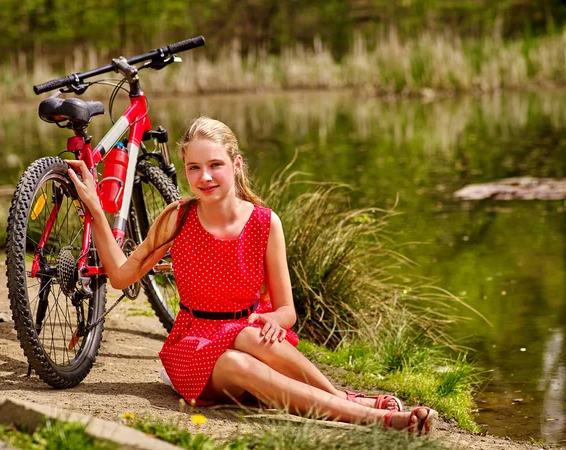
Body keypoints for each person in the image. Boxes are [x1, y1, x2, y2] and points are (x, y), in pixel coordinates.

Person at [66, 116, 437, 434]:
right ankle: (374, 418)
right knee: (238, 357)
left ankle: (342, 398)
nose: (204, 177)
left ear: (236, 164)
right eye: (194, 168)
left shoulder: (265, 223)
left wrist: (274, 319)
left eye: (215, 165)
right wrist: (96, 209)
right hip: (193, 348)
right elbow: (119, 276)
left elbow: (287, 310)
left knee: (250, 336)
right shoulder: (177, 217)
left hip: (250, 337)